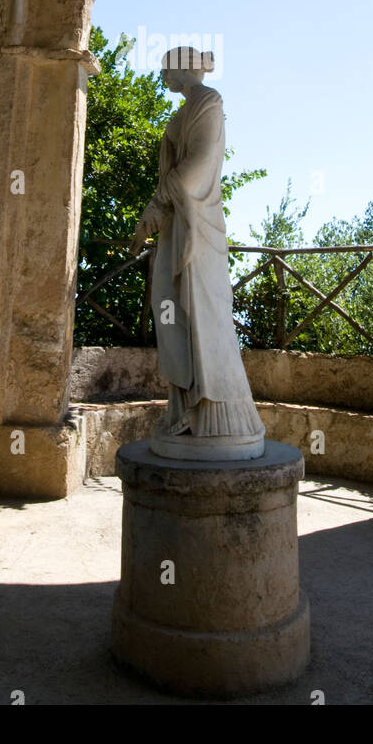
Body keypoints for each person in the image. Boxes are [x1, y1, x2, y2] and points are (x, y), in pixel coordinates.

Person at [130, 46, 265, 459]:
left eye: (166, 67)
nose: (163, 76)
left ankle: (218, 414)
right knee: (167, 303)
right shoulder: (178, 116)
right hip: (176, 229)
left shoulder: (209, 102)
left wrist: (155, 207)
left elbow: (199, 168)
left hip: (199, 230)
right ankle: (184, 404)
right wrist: (154, 213)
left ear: (182, 69)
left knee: (202, 312)